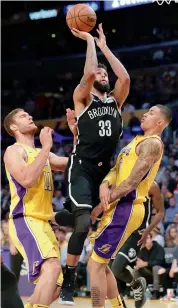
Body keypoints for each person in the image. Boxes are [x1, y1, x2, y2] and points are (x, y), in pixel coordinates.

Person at [57, 23, 130, 305]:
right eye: (99, 72)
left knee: (86, 220)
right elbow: (87, 74)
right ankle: (70, 279)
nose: (102, 74)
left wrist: (104, 47)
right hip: (82, 168)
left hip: (106, 172)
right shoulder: (82, 99)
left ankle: (62, 215)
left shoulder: (116, 102)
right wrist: (88, 40)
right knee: (85, 221)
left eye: (104, 73)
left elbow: (124, 77)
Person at [88, 105, 172, 308]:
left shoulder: (152, 144)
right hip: (118, 207)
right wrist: (105, 183)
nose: (145, 114)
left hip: (126, 208)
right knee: (100, 264)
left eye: (151, 113)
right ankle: (119, 305)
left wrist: (102, 204)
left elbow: (131, 183)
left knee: (95, 266)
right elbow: (116, 171)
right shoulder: (136, 142)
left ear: (160, 123)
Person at [3, 108, 69, 308]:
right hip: (25, 218)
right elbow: (27, 179)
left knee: (56, 286)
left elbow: (75, 163)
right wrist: (47, 147)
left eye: (29, 114)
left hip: (43, 222)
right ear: (14, 127)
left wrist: (77, 134)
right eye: (23, 116)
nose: (30, 116)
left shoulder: (41, 154)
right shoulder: (14, 151)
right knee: (52, 266)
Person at [110, 181, 164, 307]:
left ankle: (136, 286)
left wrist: (148, 230)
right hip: (119, 231)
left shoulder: (152, 186)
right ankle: (124, 300)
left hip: (137, 234)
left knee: (116, 269)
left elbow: (160, 212)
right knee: (109, 270)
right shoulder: (121, 181)